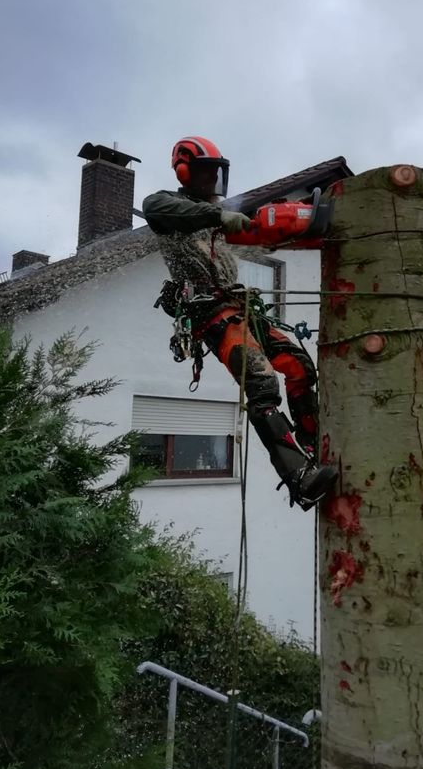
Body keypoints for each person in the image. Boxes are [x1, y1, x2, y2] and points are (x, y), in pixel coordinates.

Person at [142, 135, 338, 512]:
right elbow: (160, 209)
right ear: (185, 171)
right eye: (205, 173)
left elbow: (256, 229)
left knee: (300, 366)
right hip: (209, 312)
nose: (211, 182)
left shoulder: (217, 216)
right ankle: (299, 478)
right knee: (261, 381)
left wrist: (296, 223)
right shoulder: (168, 207)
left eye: (215, 174)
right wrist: (217, 215)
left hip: (242, 305)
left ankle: (313, 442)